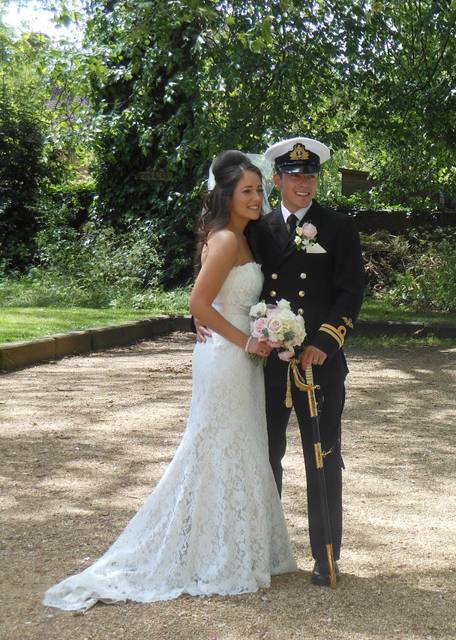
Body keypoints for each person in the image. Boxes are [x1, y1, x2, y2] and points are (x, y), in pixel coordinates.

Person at [43, 151, 296, 612]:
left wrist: (263, 329)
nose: (257, 198)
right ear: (226, 195)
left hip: (236, 357)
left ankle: (234, 549)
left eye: (260, 190)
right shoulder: (223, 240)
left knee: (241, 446)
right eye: (248, 191)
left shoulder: (242, 238)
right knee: (216, 447)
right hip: (226, 358)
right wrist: (247, 340)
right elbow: (198, 305)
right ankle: (214, 555)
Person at [250, 136, 366, 587]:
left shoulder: (338, 227)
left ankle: (326, 555)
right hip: (269, 366)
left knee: (323, 456)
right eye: (295, 175)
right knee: (266, 456)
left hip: (320, 363)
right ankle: (269, 553)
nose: (304, 183)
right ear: (276, 179)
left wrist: (325, 340)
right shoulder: (256, 230)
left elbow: (351, 290)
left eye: (311, 175)